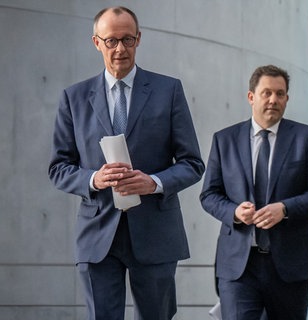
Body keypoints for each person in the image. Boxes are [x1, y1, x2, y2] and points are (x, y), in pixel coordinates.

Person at [48, 6, 205, 320]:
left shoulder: (168, 90)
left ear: (139, 39)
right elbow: (59, 167)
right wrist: (94, 179)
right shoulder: (74, 98)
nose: (120, 48)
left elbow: (192, 163)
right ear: (96, 42)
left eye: (128, 40)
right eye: (111, 41)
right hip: (98, 234)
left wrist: (154, 182)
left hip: (156, 232)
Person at [200, 64, 308, 320]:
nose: (274, 100)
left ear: (287, 98)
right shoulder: (224, 140)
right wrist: (235, 212)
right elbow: (209, 195)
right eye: (267, 93)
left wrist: (284, 209)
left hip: (292, 264)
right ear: (251, 97)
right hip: (240, 265)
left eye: (280, 94)